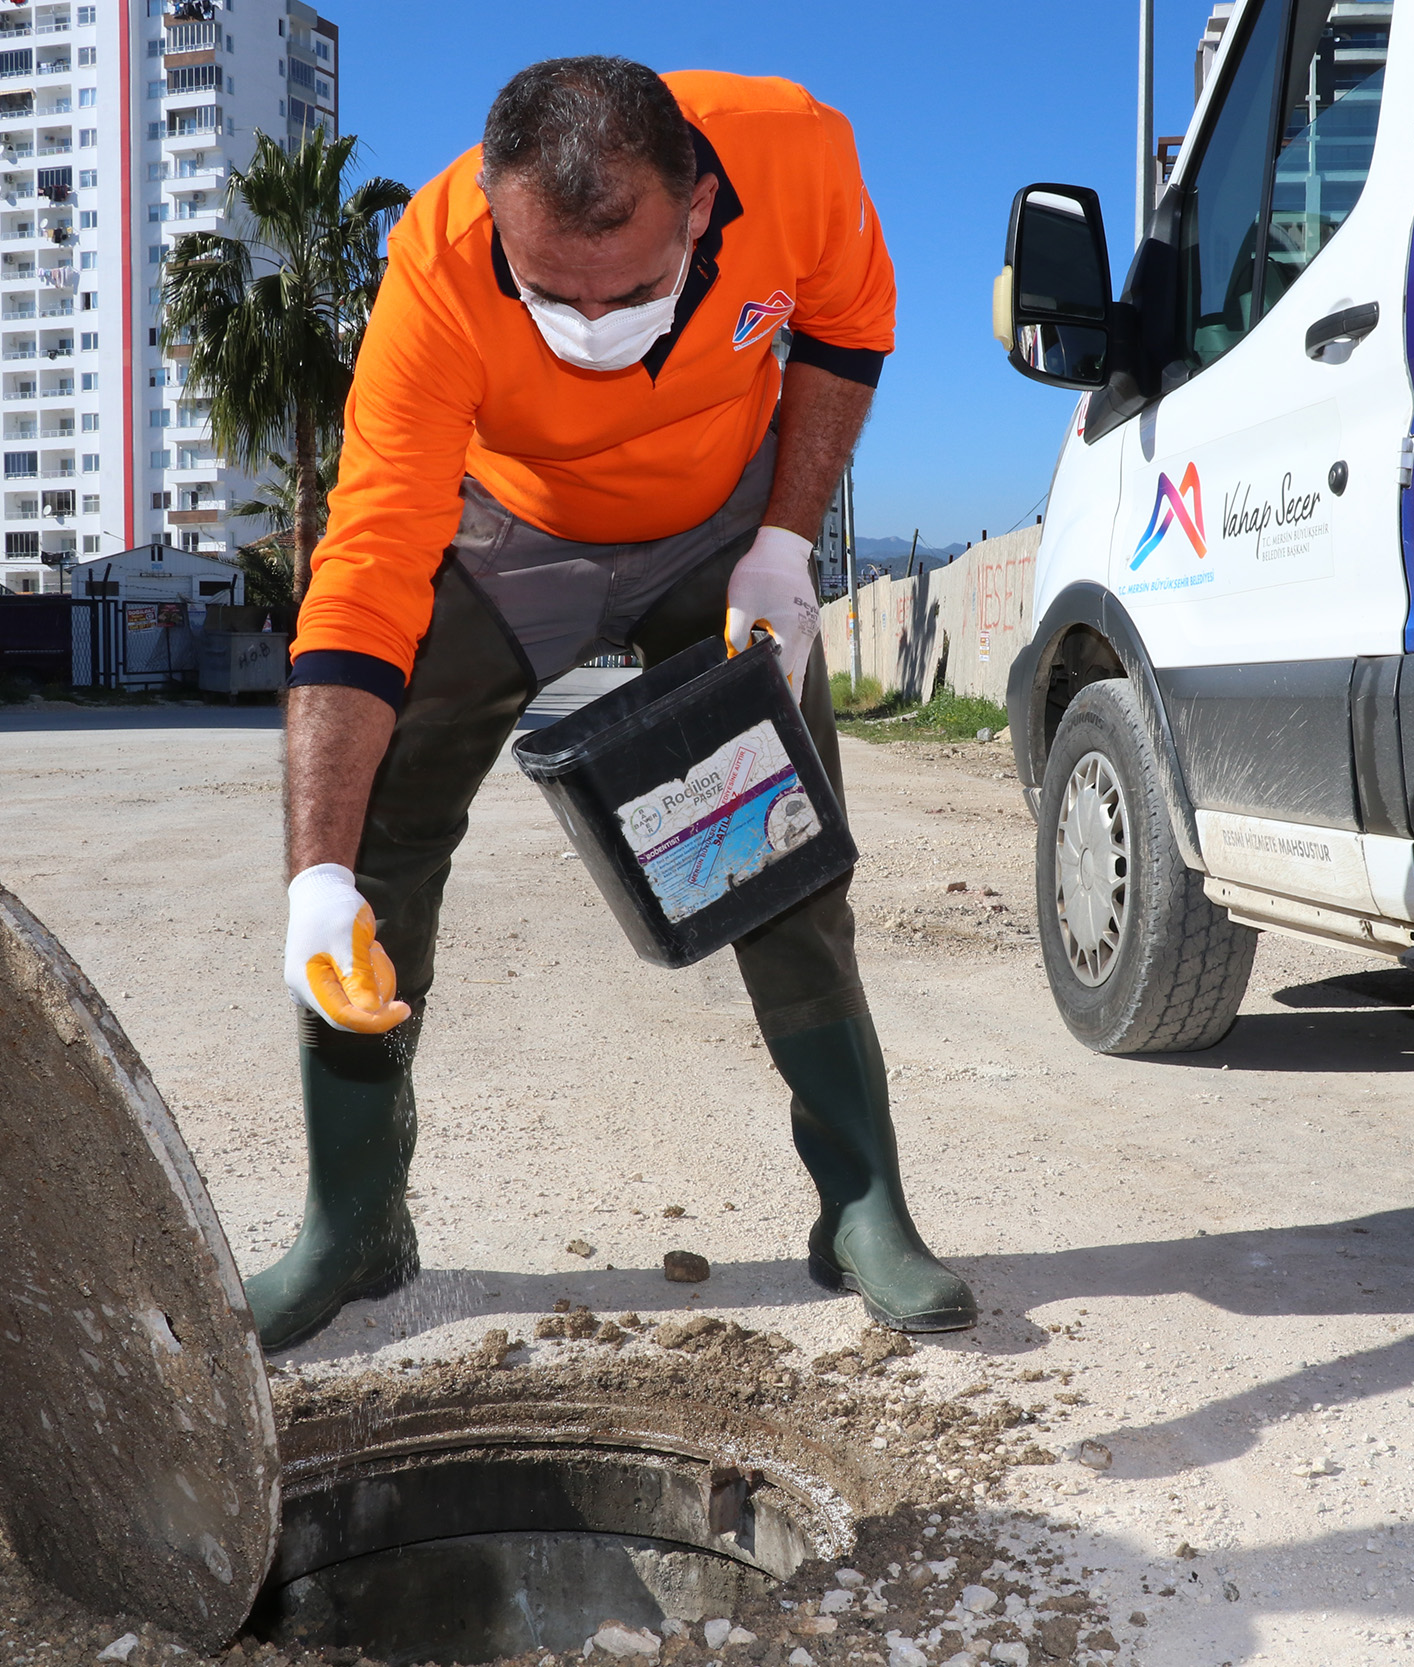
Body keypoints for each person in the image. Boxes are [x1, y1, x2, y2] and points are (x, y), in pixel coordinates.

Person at [256, 57, 976, 1351]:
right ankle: (350, 1222)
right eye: (549, 294)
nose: (590, 326)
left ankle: (862, 1206)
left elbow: (848, 331)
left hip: (716, 528)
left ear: (699, 205)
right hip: (508, 529)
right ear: (495, 217)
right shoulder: (435, 264)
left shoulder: (799, 154)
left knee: (783, 845)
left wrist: (786, 547)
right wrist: (317, 878)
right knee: (375, 847)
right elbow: (363, 576)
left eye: (633, 290)